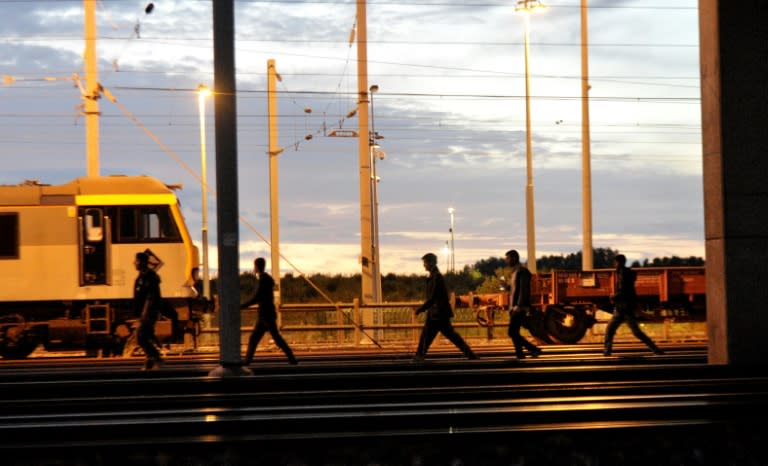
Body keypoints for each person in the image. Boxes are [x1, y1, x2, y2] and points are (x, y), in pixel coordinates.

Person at [412, 253, 478, 362]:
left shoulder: (436, 277)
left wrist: (420, 309)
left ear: (431, 262)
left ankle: (419, 356)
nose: (424, 265)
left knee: (430, 336)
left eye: (425, 262)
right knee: (432, 336)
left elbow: (432, 297)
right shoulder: (434, 276)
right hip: (436, 313)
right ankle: (419, 356)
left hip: (438, 313)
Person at [603, 254, 664, 356]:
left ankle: (607, 351)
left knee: (616, 330)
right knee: (632, 332)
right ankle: (655, 349)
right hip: (623, 308)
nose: (614, 264)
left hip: (625, 308)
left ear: (620, 262)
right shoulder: (625, 273)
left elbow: (624, 291)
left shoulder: (623, 274)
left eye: (616, 262)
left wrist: (613, 297)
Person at [241, 257, 298, 366]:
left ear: (257, 266)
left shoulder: (263, 280)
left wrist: (243, 305)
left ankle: (247, 362)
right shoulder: (266, 279)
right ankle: (292, 359)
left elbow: (257, 297)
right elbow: (260, 297)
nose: (254, 268)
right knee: (268, 338)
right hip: (267, 315)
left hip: (266, 315)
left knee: (259, 338)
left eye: (255, 266)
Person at [504, 249, 542, 359]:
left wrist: (519, 306)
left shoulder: (522, 271)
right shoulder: (514, 272)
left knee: (512, 332)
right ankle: (520, 354)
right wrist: (506, 287)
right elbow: (514, 289)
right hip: (514, 307)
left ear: (514, 258)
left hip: (519, 308)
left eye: (508, 258)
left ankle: (533, 349)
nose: (506, 261)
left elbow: (523, 290)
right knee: (514, 332)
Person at [133, 251, 164, 370]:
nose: (134, 263)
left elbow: (150, 297)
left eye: (136, 261)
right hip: (146, 312)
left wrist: (144, 313)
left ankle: (156, 358)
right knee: (145, 336)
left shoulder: (149, 277)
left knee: (141, 337)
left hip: (149, 312)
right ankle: (151, 360)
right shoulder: (143, 276)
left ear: (142, 262)